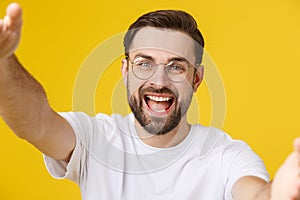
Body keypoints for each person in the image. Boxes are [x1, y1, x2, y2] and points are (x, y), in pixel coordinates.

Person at [0, 2, 300, 200]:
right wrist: (3, 61)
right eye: (145, 63)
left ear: (196, 80)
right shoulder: (96, 138)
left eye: (176, 66)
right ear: (125, 70)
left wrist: (280, 193)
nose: (159, 81)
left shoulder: (226, 155)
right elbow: (35, 122)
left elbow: (255, 194)